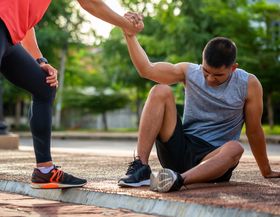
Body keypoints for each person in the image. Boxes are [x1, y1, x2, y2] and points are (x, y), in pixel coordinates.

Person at [0, 0, 143, 189]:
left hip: (7, 34)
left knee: (44, 85)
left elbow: (25, 22)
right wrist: (128, 26)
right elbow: (92, 3)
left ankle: (44, 171)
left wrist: (39, 60)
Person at [118, 15, 280, 192]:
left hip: (213, 159)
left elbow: (254, 130)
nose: (210, 79)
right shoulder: (190, 72)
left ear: (233, 68)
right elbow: (146, 70)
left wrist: (266, 170)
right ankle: (141, 166)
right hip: (180, 149)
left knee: (236, 148)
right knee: (160, 90)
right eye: (206, 71)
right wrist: (129, 34)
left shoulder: (248, 84)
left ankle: (177, 180)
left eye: (218, 75)